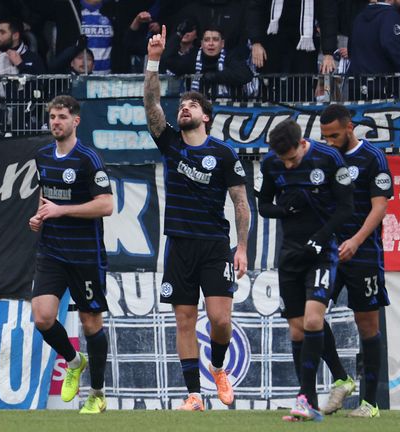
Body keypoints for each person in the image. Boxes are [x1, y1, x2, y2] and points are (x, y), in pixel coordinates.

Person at [143, 27, 251, 411]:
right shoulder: (169, 142)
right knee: (184, 320)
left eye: (191, 105)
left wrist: (241, 247)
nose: (183, 108)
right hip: (179, 243)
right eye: (181, 105)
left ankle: (218, 368)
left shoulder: (223, 154)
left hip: (213, 245)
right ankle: (193, 394)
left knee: (220, 321)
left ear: (206, 115)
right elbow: (152, 105)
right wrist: (154, 60)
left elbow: (241, 203)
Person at [257, 118, 354, 421]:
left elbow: (346, 208)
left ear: (302, 144)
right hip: (290, 255)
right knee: (297, 330)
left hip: (322, 253)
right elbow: (264, 206)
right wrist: (285, 209)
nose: (287, 165)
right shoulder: (272, 164)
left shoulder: (329, 159)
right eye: (282, 160)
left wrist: (320, 239)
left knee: (314, 320)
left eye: (292, 159)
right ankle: (308, 403)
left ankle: (305, 397)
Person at [28, 95, 113, 414]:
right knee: (42, 317)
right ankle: (75, 361)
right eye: (52, 117)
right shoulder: (42, 156)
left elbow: (106, 204)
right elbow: (45, 193)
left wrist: (62, 211)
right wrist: (40, 215)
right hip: (51, 251)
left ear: (75, 121)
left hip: (85, 255)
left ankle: (98, 394)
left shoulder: (89, 159)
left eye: (61, 117)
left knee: (91, 322)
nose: (55, 122)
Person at [317, 104, 393, 419]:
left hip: (363, 253)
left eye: (334, 135)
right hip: (329, 253)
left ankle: (370, 404)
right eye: (324, 136)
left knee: (368, 326)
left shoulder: (372, 158)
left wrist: (356, 240)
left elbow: (379, 207)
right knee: (309, 315)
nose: (330, 141)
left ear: (350, 127)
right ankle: (341, 377)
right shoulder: (321, 157)